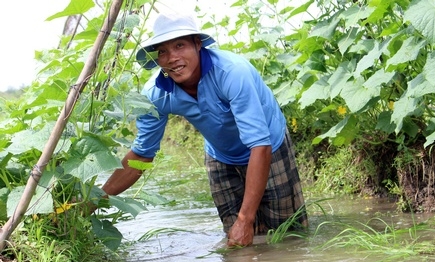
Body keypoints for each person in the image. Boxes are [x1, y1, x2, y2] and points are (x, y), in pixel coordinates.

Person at [100, 13, 308, 247]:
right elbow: (142, 154)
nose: (173, 58)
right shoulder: (156, 95)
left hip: (268, 145)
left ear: (198, 44)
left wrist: (245, 218)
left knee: (287, 235)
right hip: (221, 154)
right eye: (163, 51)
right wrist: (98, 198)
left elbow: (259, 144)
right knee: (236, 239)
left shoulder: (231, 73)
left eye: (180, 45)